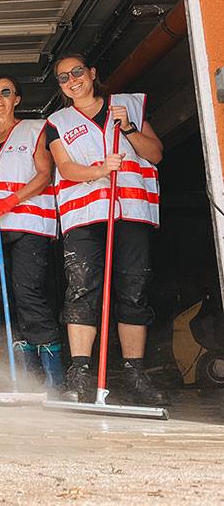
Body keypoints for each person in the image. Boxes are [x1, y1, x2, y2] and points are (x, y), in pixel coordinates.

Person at [46, 53, 167, 406]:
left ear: (93, 73)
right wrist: (100, 171)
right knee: (82, 290)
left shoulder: (127, 107)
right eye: (63, 77)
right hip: (84, 219)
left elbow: (156, 154)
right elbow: (66, 168)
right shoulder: (57, 121)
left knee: (133, 290)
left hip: (130, 213)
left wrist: (128, 128)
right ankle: (80, 372)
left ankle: (134, 373)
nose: (72, 80)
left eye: (77, 72)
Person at [0, 75, 63, 394]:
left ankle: (54, 380)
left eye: (6, 92)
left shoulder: (35, 129)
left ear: (17, 99)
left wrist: (12, 200)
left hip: (28, 224)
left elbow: (44, 174)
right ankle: (27, 376)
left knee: (28, 294)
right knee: (8, 301)